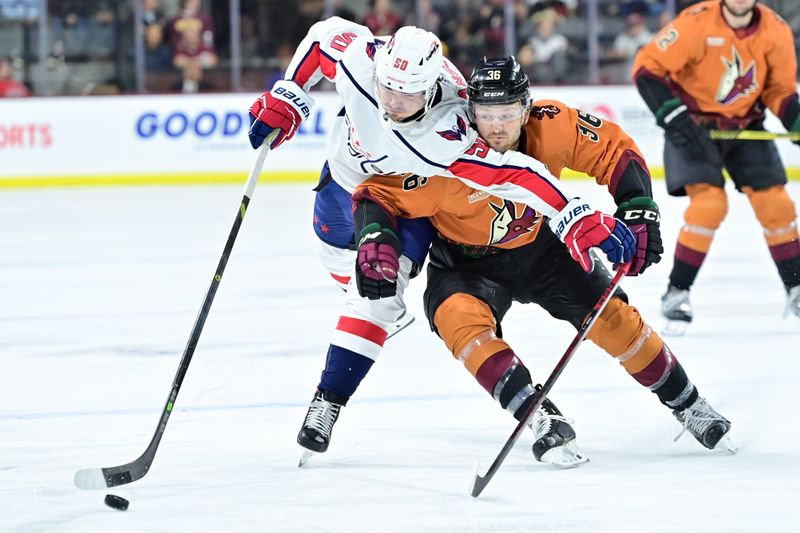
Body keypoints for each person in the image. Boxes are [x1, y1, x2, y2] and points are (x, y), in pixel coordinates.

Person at [246, 18, 636, 463]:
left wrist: (571, 212)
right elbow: (321, 36)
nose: (392, 102)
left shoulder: (449, 132)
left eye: (407, 94)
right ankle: (377, 314)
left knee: (374, 294)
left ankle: (327, 403)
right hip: (343, 183)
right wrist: (290, 93)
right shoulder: (362, 60)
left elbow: (515, 174)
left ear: (432, 89)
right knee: (345, 272)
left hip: (409, 199)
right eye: (387, 88)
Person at [353, 56, 735, 454]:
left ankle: (689, 404)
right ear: (470, 112)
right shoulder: (444, 151)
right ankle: (537, 414)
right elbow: (378, 192)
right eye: (485, 114)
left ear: (527, 107)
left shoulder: (552, 124)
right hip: (464, 263)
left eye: (507, 112)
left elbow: (615, 150)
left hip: (545, 248)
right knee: (461, 325)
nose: (497, 126)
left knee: (613, 320)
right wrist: (374, 235)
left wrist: (638, 205)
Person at [633, 0, 800, 335]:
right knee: (709, 206)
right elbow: (647, 68)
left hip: (745, 126)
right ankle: (676, 293)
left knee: (777, 207)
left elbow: (780, 90)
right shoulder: (696, 23)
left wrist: (795, 120)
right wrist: (673, 115)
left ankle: (796, 289)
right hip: (692, 128)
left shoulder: (776, 30)